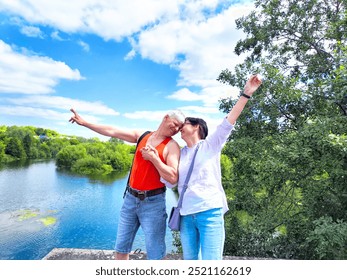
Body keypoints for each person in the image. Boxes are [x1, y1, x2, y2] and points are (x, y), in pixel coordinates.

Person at [147, 74, 262, 259]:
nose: (179, 129)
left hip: (210, 212)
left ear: (197, 127)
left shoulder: (210, 145)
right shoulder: (179, 153)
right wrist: (154, 159)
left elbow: (229, 122)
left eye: (184, 125)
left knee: (211, 263)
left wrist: (246, 93)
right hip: (186, 216)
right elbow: (170, 181)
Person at [69, 109, 185, 260]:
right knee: (121, 249)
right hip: (130, 199)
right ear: (166, 117)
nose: (176, 129)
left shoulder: (172, 146)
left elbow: (173, 178)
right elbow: (112, 131)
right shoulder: (143, 135)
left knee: (155, 253)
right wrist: (84, 123)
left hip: (153, 204)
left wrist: (154, 159)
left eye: (179, 128)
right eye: (175, 124)